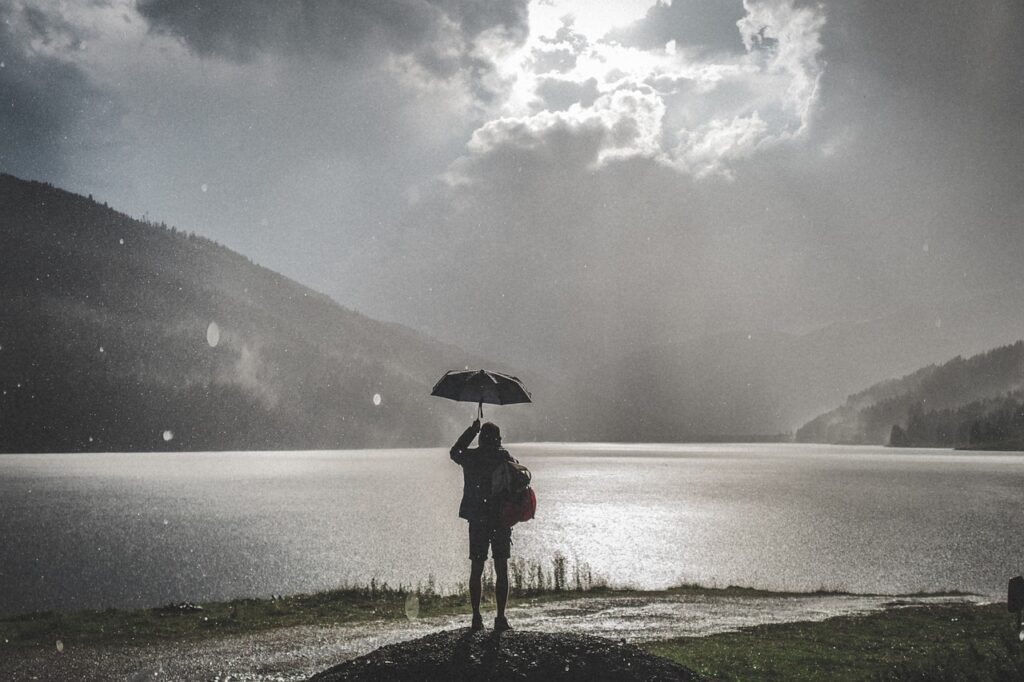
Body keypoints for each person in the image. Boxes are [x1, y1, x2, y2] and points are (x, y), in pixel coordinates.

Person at [450, 418, 515, 632]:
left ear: (480, 438)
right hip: (500, 520)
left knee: (476, 568)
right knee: (501, 568)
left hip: (477, 520)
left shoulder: (471, 457)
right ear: (497, 439)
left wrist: (471, 430)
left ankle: (476, 617)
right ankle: (500, 617)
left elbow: (454, 452)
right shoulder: (503, 457)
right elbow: (516, 479)